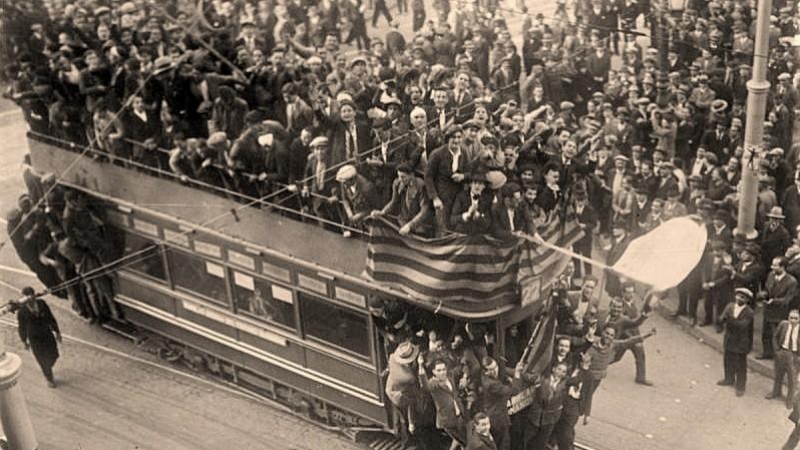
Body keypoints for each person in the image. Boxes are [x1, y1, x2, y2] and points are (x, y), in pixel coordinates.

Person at [16, 287, 61, 388]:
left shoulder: (41, 304)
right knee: (42, 358)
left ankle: (48, 367)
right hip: (34, 337)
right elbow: (21, 327)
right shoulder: (22, 311)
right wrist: (24, 341)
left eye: (31, 295)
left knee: (54, 354)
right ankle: (49, 377)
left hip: (47, 333)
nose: (30, 299)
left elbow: (50, 317)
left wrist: (57, 332)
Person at [758, 257, 798, 360]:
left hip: (780, 312)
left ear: (783, 267)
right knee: (765, 333)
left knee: (778, 335)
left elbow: (787, 299)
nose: (772, 267)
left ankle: (779, 357)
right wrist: (763, 295)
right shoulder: (771, 276)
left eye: (775, 265)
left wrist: (774, 301)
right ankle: (767, 353)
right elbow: (767, 289)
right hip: (768, 310)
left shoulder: (791, 282)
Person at [718, 288, 755, 397]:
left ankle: (740, 386)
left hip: (741, 341)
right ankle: (728, 378)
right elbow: (721, 318)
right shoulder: (730, 306)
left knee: (740, 364)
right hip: (729, 339)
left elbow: (742, 326)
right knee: (728, 359)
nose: (739, 298)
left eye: (742, 297)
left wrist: (729, 318)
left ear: (747, 300)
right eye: (738, 296)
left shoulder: (749, 312)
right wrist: (721, 319)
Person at [770, 310, 800, 407]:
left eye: (796, 318)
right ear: (788, 318)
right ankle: (776, 392)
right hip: (782, 351)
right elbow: (775, 336)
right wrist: (777, 350)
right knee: (779, 374)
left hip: (794, 355)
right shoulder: (783, 324)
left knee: (792, 378)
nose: (793, 320)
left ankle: (790, 400)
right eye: (791, 318)